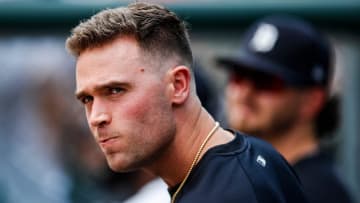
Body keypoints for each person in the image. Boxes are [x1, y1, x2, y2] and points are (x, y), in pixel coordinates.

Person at [65, 2, 307, 202]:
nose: (96, 116)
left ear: (178, 85)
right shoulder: (249, 158)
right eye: (87, 99)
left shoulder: (229, 193)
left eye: (115, 90)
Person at [217, 15, 354, 203]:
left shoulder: (317, 193)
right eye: (238, 77)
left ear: (311, 101)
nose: (244, 94)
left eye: (265, 82)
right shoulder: (258, 176)